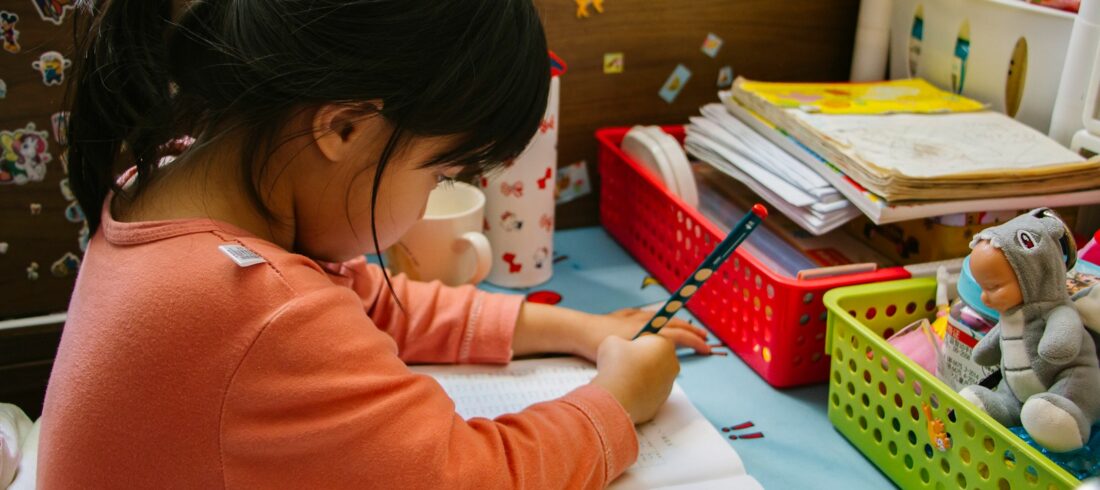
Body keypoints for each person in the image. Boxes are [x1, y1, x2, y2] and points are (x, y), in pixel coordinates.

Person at [39, 1, 709, 487]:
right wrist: (617, 403)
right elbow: (467, 478)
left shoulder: (170, 180)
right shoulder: (256, 306)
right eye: (439, 173)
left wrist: (578, 329)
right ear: (344, 127)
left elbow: (367, 302)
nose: (430, 201)